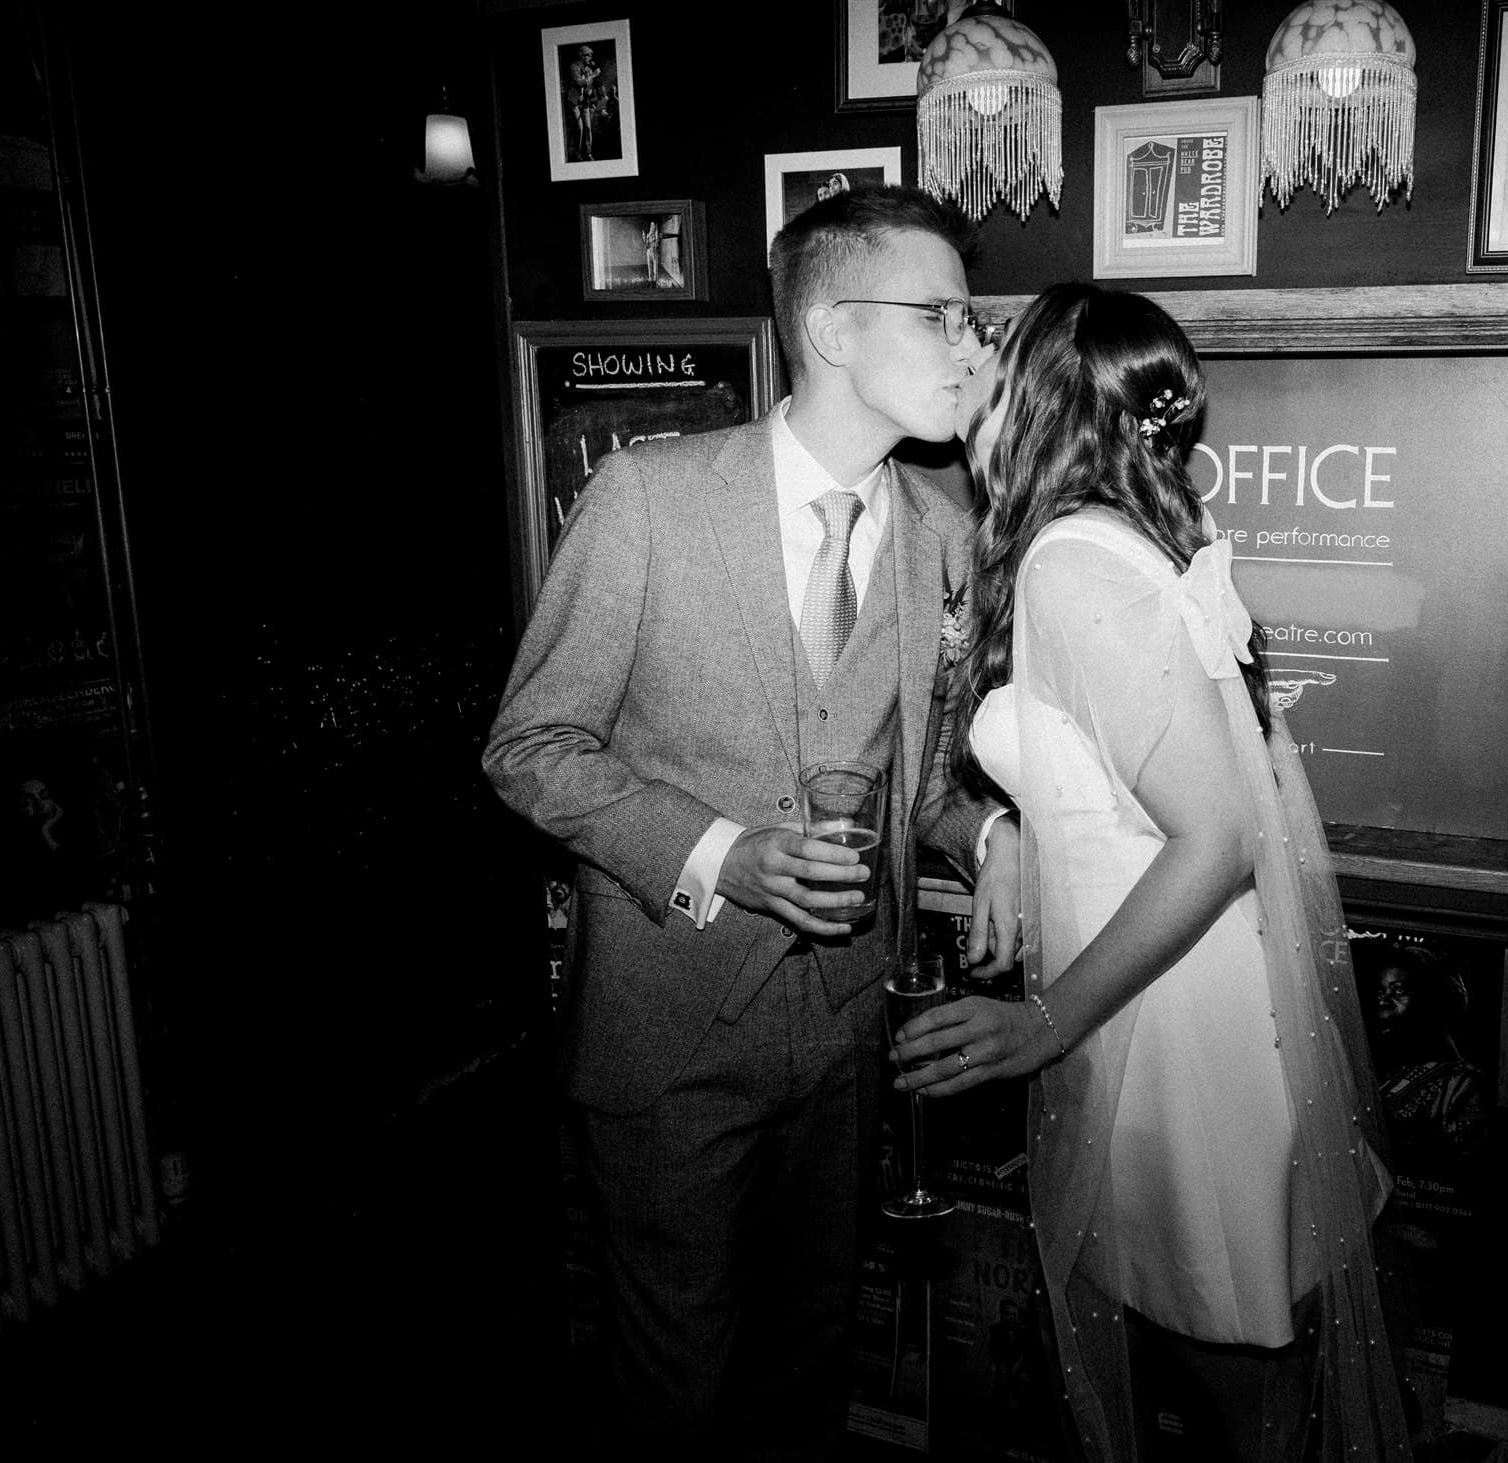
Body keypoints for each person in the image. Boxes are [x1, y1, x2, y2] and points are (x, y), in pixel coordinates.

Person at [483, 183, 1020, 1459]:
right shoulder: (650, 499)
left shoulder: (944, 531)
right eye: (943, 316)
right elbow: (529, 749)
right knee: (672, 1382)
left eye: (974, 319)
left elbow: (922, 775)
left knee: (807, 1362)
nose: (973, 347)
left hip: (842, 1033)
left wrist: (990, 836)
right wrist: (726, 852)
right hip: (666, 1040)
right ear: (833, 329)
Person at [889, 283, 1410, 1463]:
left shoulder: (1073, 562)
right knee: (1238, 1371)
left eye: (994, 351)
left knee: (1237, 1378)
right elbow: (1109, 776)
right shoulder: (1120, 542)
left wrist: (1039, 1021)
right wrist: (1006, 835)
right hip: (1181, 1000)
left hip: (1167, 1030)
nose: (972, 365)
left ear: (1035, 392)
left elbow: (1218, 835)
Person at [1362, 942, 1488, 1172]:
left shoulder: (1464, 1083)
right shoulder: (1388, 1072)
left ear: (1431, 999)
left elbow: (1463, 1171)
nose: (1382, 1002)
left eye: (1398, 991)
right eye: (1380, 992)